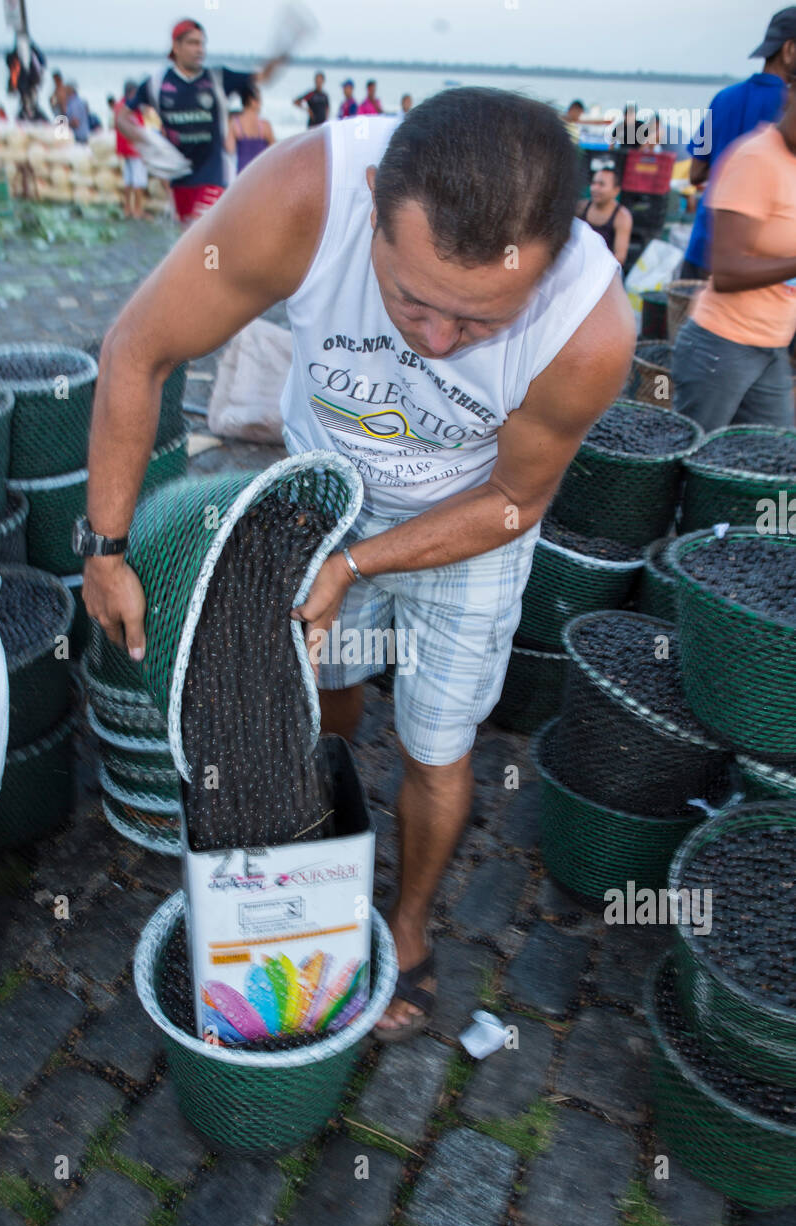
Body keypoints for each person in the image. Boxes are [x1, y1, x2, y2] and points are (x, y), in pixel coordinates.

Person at [81, 88, 634, 1039]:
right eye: (413, 301)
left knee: (437, 744)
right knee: (318, 699)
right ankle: (319, 853)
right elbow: (138, 348)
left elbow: (515, 501)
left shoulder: (591, 331)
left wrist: (368, 563)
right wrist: (107, 548)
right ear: (373, 201)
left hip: (471, 525)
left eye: (478, 323)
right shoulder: (304, 195)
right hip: (319, 496)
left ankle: (408, 926)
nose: (436, 341)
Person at [673, 82, 796, 431]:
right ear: (791, 92)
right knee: (692, 467)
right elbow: (726, 273)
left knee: (774, 466)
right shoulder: (756, 159)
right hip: (721, 348)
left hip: (772, 347)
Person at [116, 17, 288, 224]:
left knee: (206, 238)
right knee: (189, 238)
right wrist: (141, 139)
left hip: (213, 176)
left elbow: (262, 77)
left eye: (202, 43)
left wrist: (284, 48)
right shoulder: (157, 84)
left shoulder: (217, 79)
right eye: (193, 43)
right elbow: (122, 116)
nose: (200, 49)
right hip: (179, 178)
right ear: (176, 47)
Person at [681, 8, 795, 279]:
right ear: (789, 49)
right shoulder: (789, 111)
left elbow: (695, 173)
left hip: (703, 247)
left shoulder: (722, 98)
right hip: (756, 267)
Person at [577, 167, 632, 267]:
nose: (595, 188)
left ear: (616, 190)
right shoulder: (581, 207)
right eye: (593, 183)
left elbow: (620, 257)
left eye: (601, 184)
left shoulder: (622, 217)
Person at [115, 81, 148, 219]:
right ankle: (137, 210)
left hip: (124, 148)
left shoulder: (119, 106)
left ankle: (127, 208)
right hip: (133, 149)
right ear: (132, 92)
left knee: (128, 179)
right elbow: (136, 128)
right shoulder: (130, 108)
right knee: (138, 180)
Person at [226, 86, 274, 174]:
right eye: (259, 100)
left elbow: (230, 149)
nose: (261, 104)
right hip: (263, 173)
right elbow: (275, 152)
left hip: (243, 175)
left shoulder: (235, 124)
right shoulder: (265, 125)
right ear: (252, 101)